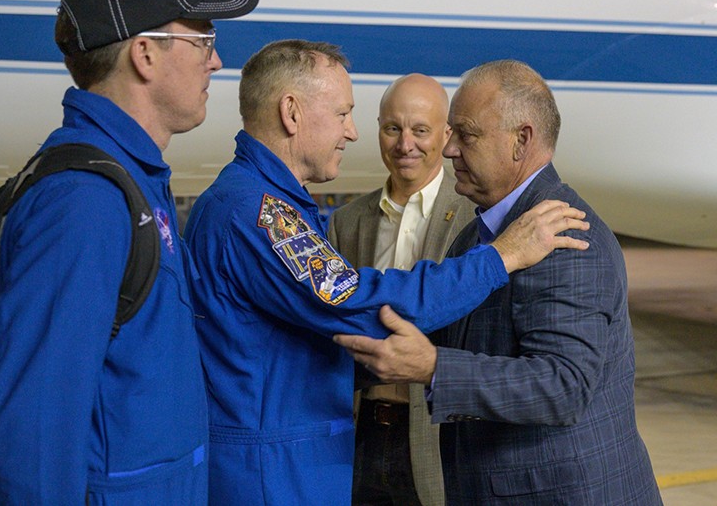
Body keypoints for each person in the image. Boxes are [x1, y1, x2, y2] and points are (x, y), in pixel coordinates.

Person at [183, 41, 590, 505]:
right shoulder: (259, 214)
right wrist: (499, 258)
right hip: (270, 478)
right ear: (291, 113)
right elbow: (361, 305)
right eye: (342, 114)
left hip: (284, 464)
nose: (353, 132)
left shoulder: (262, 203)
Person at [0, 0, 259, 504]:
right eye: (204, 40)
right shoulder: (85, 201)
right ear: (145, 54)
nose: (217, 62)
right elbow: (34, 430)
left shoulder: (132, 181)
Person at [335, 60, 663, 505]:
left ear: (521, 141)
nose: (450, 150)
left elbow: (563, 386)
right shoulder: (479, 235)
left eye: (467, 135)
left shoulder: (564, 234)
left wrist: (434, 368)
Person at [327, 73, 473, 505]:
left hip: (437, 438)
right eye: (393, 128)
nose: (405, 144)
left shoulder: (474, 220)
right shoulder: (347, 222)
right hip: (361, 433)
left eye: (420, 130)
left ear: (446, 135)